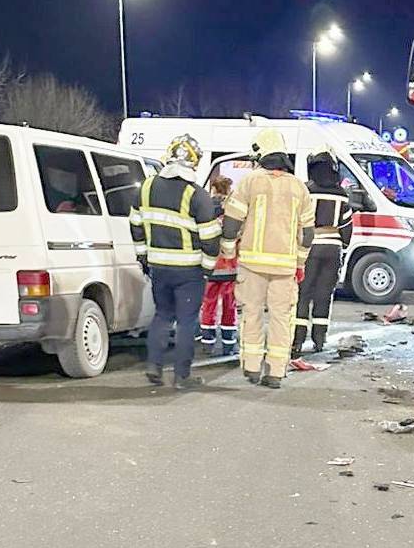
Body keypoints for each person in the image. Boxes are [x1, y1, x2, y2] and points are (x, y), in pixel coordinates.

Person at [221, 128, 315, 389]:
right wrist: (300, 263)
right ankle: (275, 371)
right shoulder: (299, 188)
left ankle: (251, 367)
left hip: (252, 265)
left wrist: (229, 250)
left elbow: (231, 222)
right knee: (280, 319)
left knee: (251, 314)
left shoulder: (250, 182)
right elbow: (307, 234)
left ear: (260, 152)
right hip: (285, 268)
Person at [129, 133, 220, 390]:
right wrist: (208, 268)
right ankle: (182, 376)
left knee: (162, 315)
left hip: (158, 267)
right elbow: (211, 238)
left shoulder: (146, 187)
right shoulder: (196, 195)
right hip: (188, 271)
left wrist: (143, 256)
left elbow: (135, 225)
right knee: (187, 322)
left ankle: (154, 366)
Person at [292, 147, 353, 357]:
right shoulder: (342, 195)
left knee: (303, 293)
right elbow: (347, 227)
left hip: (309, 248)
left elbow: (297, 221)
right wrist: (342, 245)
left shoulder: (306, 190)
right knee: (324, 295)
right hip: (333, 248)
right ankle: (319, 339)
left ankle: (297, 340)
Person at [199, 176, 239, 355]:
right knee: (230, 305)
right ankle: (228, 344)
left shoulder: (205, 209)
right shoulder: (233, 211)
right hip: (230, 267)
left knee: (209, 304)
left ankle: (208, 342)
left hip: (210, 266)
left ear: (213, 189)